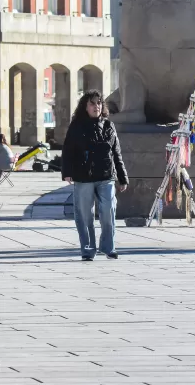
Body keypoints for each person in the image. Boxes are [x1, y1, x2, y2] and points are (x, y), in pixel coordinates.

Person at [62, 90, 129, 261]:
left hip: (106, 176)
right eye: (92, 103)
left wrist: (122, 177)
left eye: (99, 103)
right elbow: (68, 150)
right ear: (85, 106)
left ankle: (108, 247)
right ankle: (88, 250)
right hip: (83, 177)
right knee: (84, 216)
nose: (96, 106)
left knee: (108, 211)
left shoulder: (109, 126)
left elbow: (117, 154)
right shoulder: (76, 126)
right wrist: (67, 172)